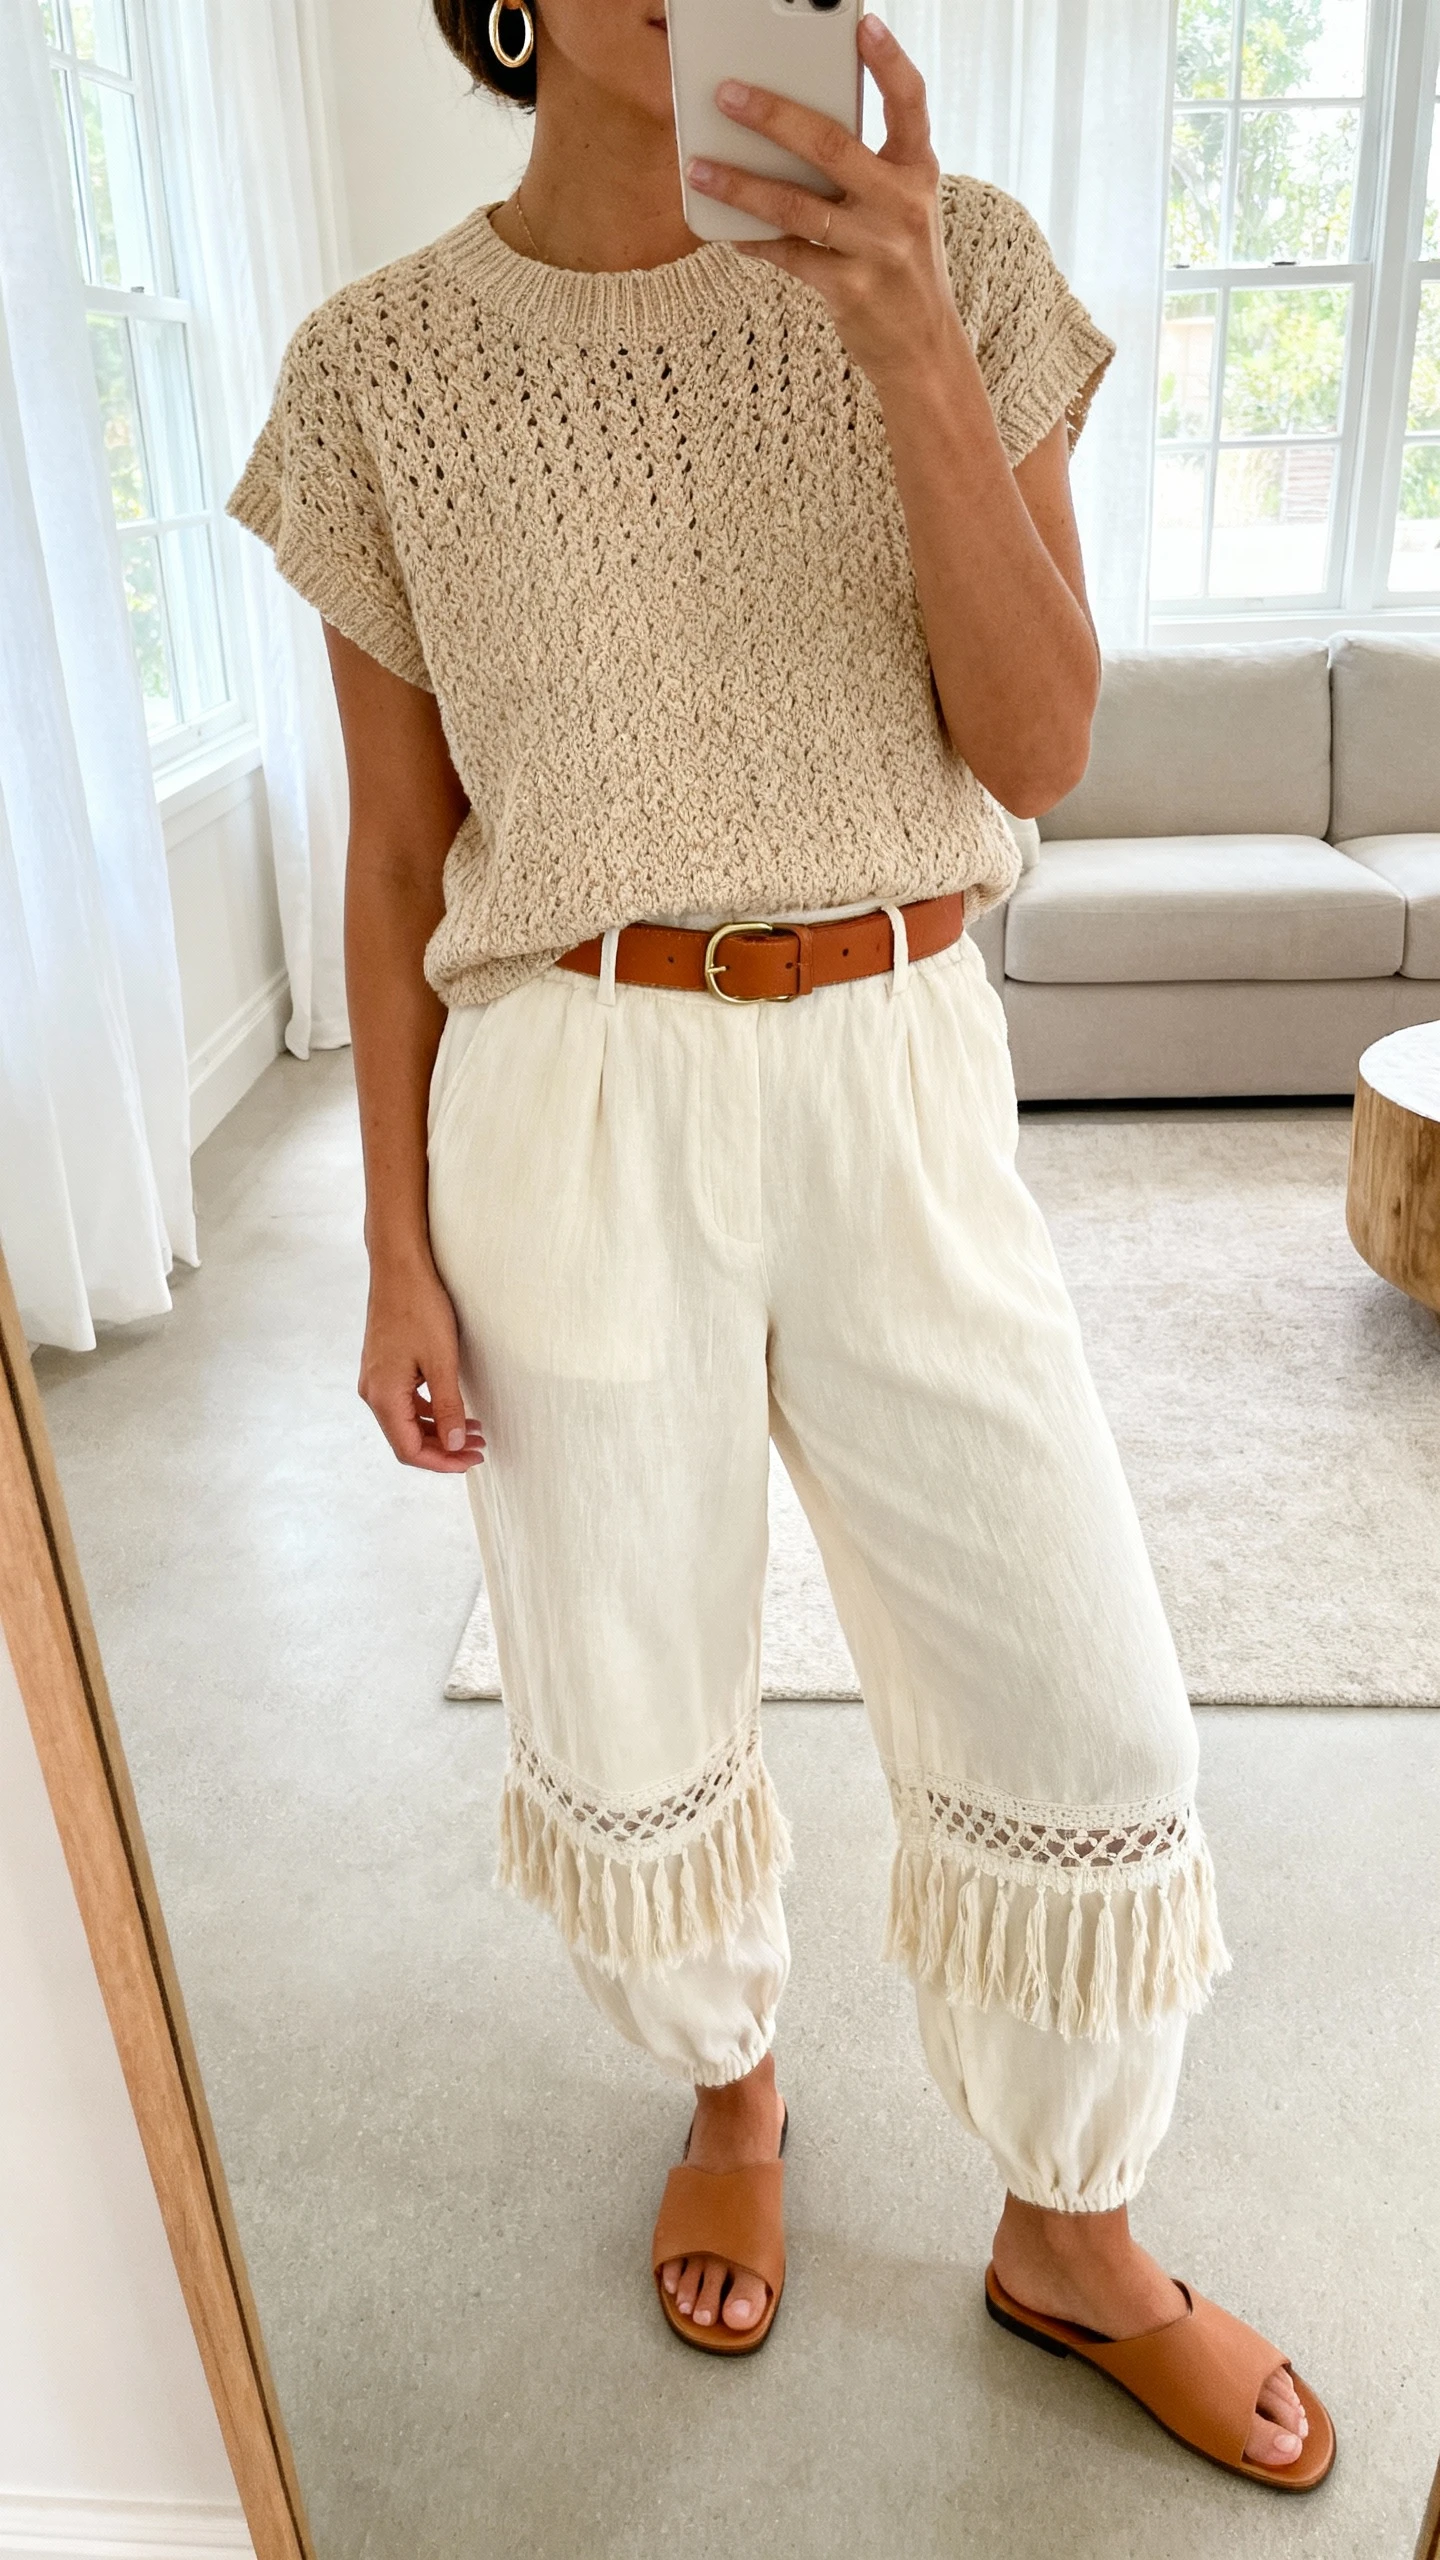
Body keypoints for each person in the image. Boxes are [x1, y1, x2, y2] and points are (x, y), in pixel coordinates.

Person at [228, 0, 1333, 2489]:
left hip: (896, 1052)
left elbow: (1036, 750)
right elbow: (403, 859)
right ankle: (735, 2076)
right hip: (572, 1081)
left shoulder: (975, 268)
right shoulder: (379, 373)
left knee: (1088, 1701)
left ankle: (1078, 2223)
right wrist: (392, 1250)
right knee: (625, 1684)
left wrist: (918, 346)